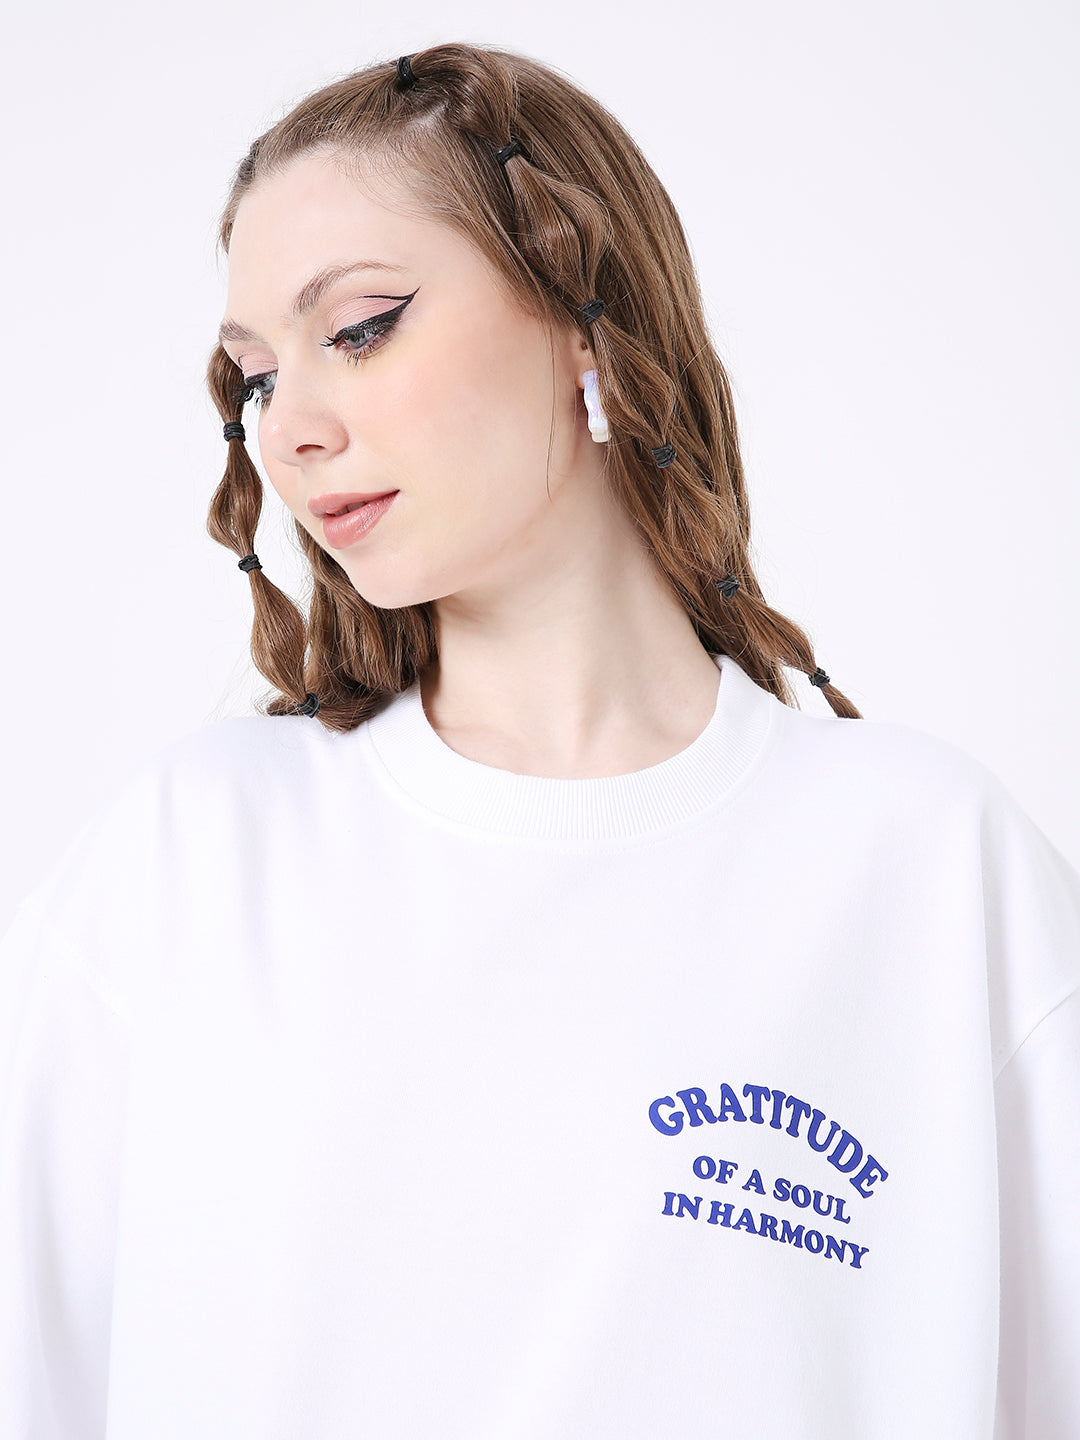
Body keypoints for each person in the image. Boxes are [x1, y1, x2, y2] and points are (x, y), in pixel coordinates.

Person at [0, 40, 1076, 1440]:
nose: (292, 431)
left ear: (585, 313)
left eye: (362, 327)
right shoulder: (187, 864)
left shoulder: (933, 870)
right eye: (254, 379)